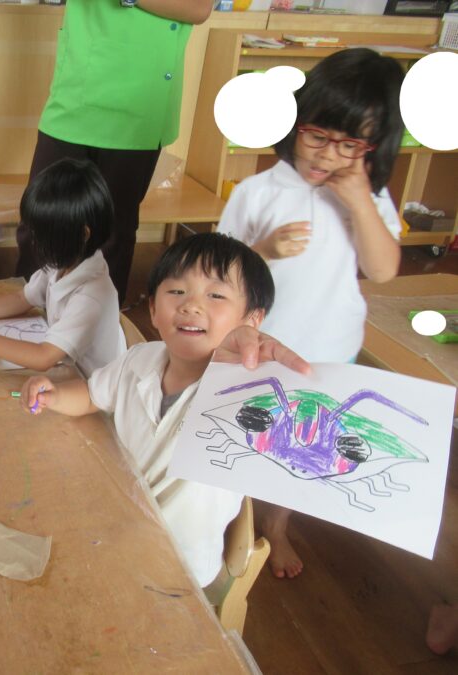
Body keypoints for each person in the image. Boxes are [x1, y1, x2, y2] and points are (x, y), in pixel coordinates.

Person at [19, 233, 310, 587]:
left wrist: (258, 366)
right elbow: (93, 395)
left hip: (178, 568)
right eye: (177, 291)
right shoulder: (138, 359)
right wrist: (55, 395)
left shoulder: (244, 394)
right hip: (112, 523)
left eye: (216, 295)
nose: (191, 305)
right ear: (154, 310)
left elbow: (293, 429)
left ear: (251, 320)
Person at [217, 48, 405, 579]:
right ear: (294, 123)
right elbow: (219, 268)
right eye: (317, 135)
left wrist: (360, 202)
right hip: (258, 345)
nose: (328, 154)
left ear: (372, 148)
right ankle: (230, 522)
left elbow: (383, 269)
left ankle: (276, 526)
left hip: (329, 349)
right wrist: (263, 250)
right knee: (246, 434)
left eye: (349, 145)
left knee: (304, 447)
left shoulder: (370, 200)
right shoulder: (258, 190)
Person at [15, 0, 215, 306]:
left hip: (140, 101)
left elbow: (198, 8)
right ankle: (23, 318)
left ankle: (101, 323)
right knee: (41, 221)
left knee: (113, 233)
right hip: (76, 91)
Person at [0, 158, 125, 377]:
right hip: (66, 367)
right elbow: (22, 298)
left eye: (44, 234)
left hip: (89, 385)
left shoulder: (91, 295)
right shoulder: (64, 262)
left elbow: (44, 357)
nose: (35, 240)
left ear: (82, 234)